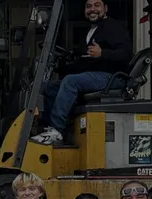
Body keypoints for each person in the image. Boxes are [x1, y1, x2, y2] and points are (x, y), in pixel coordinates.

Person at [31, 0, 131, 145]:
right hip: (96, 76)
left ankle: (56, 130)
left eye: (97, 5)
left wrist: (102, 53)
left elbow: (125, 53)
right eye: (88, 6)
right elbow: (84, 63)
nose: (92, 9)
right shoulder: (90, 31)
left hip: (111, 77)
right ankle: (53, 129)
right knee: (50, 88)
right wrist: (62, 66)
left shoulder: (112, 26)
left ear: (105, 8)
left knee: (70, 81)